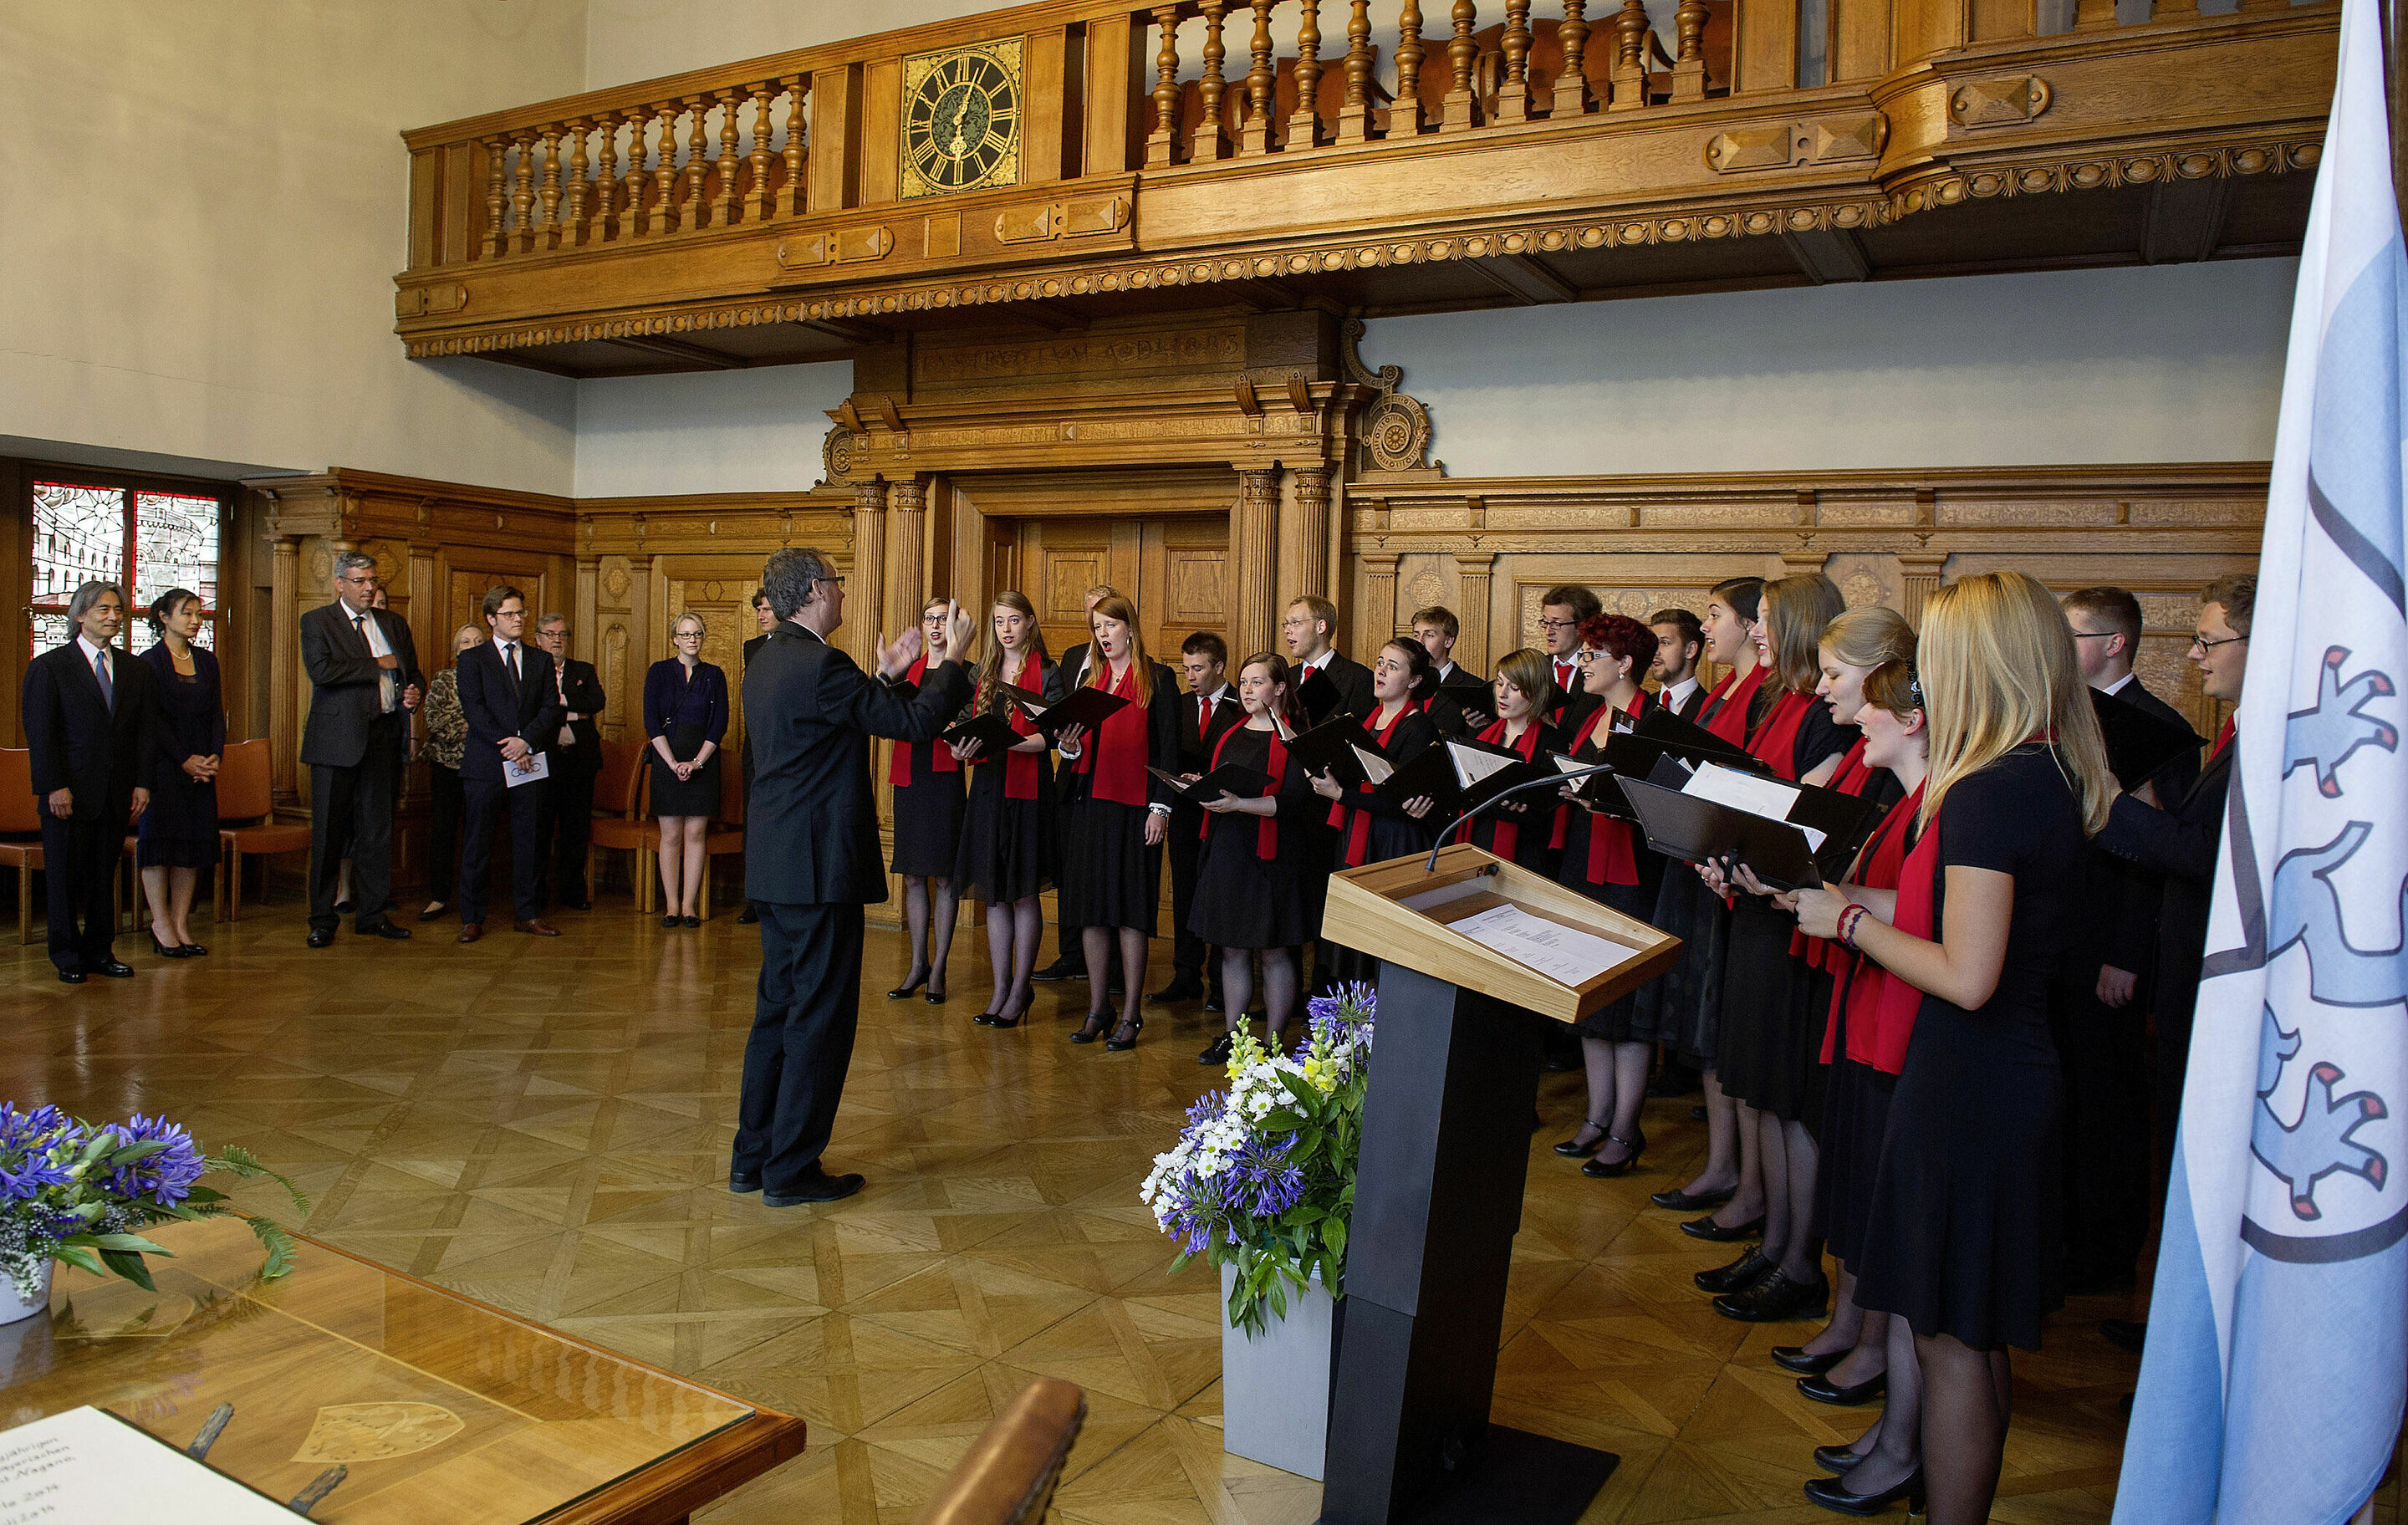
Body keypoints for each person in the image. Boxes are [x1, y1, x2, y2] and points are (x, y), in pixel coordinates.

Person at [1792, 569, 2113, 1522]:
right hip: (2002, 1075)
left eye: (1934, 654)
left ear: (1976, 661)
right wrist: (1846, 907)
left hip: (1972, 1084)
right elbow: (1956, 923)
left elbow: (1966, 974)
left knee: (1949, 1338)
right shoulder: (2039, 768)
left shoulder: (1987, 791)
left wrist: (1848, 927)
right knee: (1963, 1333)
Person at [735, 548, 977, 1206]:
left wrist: (884, 674)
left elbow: (842, 715)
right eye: (838, 583)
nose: (843, 594)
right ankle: (791, 1171)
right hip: (818, 873)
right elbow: (919, 724)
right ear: (816, 590)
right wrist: (950, 660)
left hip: (777, 867)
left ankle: (752, 1159)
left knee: (776, 1014)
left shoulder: (766, 661)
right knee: (818, 1021)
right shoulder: (820, 664)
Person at [1742, 606, 1915, 1389]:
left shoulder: (1888, 769)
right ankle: (1847, 1319)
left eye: (1838, 676)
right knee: (1839, 1152)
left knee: (1860, 1167)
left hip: (1860, 977)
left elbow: (1896, 897)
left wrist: (1820, 896)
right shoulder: (1864, 757)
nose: (1825, 689)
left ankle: (1862, 1331)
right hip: (1833, 958)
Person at [1786, 656, 1932, 1507]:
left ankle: (1908, 1443)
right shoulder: (1914, 805)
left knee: (1911, 1269)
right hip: (1875, 1026)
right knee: (1885, 1244)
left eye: (1870, 705)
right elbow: (1893, 903)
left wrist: (1840, 912)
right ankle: (1897, 1428)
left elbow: (1935, 937)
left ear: (1911, 720)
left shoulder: (1939, 805)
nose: (1854, 720)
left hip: (1909, 1042)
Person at [2092, 574, 2252, 1344]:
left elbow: (2203, 856)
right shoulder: (2236, 732)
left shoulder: (2245, 741)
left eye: (2209, 641)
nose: (2194, 657)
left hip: (2201, 971)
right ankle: (2162, 1318)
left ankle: (2174, 1324)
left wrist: (2109, 804)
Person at [1695, 574, 1853, 1324]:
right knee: (1756, 1086)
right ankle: (1774, 1241)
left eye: (1767, 620)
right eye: (1754, 620)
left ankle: (1799, 1262)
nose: (1758, 631)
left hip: (1793, 919)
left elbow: (1804, 819)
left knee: (1785, 1097)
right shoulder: (1775, 698)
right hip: (1755, 907)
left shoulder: (1822, 717)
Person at [2052, 584, 2196, 1295]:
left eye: (2072, 635)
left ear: (2115, 644)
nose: (2060, 649)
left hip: (2112, 937)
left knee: (2108, 1101)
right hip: (2061, 928)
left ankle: (2107, 1252)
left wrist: (2126, 953)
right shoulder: (2063, 716)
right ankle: (2064, 1233)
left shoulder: (2157, 726)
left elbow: (2164, 855)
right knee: (2064, 1092)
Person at [1635, 577, 1766, 1216]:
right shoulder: (1729, 694)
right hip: (1705, 868)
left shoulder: (1759, 694)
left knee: (1725, 1032)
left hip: (1737, 876)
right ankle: (1721, 1165)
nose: (1708, 628)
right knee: (1708, 1028)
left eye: (1715, 616)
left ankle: (1740, 1177)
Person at [1546, 614, 1662, 1177]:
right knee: (1590, 998)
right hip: (1583, 861)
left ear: (1626, 665)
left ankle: (1625, 1127)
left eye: (1595, 655)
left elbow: (1666, 808)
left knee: (1628, 1006)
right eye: (1586, 654)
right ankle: (1596, 1117)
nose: (1585, 663)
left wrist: (1605, 802)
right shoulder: (1589, 715)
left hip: (1632, 873)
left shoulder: (1654, 721)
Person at [1055, 594, 1181, 1051]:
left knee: (1131, 912)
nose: (1103, 634)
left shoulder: (1159, 679)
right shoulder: (1092, 681)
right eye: (1097, 627)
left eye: (1110, 625)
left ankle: (1131, 1013)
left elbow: (1168, 751)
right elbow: (1077, 749)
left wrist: (1160, 808)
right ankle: (1097, 1008)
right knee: (1092, 911)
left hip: (1136, 810)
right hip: (1093, 805)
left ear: (1130, 627)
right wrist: (1069, 747)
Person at [1306, 636, 1446, 1032]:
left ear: (1415, 680)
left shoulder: (1419, 727)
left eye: (1393, 666)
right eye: (1380, 662)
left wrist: (1340, 793)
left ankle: (1379, 1038)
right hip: (1358, 834)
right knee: (1354, 949)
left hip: (1392, 842)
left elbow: (1405, 802)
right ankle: (1355, 1038)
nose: (1381, 671)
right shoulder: (1365, 718)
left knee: (1381, 947)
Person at [22, 581, 156, 983]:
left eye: (118, 610)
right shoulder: (50, 667)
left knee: (103, 876)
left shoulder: (135, 670)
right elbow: (41, 734)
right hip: (68, 792)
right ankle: (66, 954)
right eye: (103, 610)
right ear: (80, 616)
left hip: (117, 792)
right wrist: (53, 786)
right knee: (63, 876)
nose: (114, 617)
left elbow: (144, 733)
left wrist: (143, 783)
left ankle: (100, 950)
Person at [1190, 654, 1321, 1052]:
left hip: (1273, 858)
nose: (1247, 690)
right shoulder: (1232, 732)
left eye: (1257, 682)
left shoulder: (1296, 738)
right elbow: (1222, 785)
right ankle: (1237, 1038)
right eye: (1244, 683)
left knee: (1274, 952)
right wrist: (1201, 786)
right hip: (1229, 851)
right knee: (1231, 949)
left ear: (1280, 688)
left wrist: (1239, 804)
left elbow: (1295, 803)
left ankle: (1274, 1043)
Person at [955, 592, 1066, 1028]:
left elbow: (1053, 736)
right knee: (994, 893)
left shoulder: (1049, 672)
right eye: (999, 621)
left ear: (1030, 624)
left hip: (1028, 792)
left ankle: (1021, 987)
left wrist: (1010, 741)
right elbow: (967, 721)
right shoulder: (983, 672)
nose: (1006, 629)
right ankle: (1000, 988)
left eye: (1014, 620)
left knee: (1021, 891)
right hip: (988, 789)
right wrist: (962, 741)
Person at [299, 550, 421, 947]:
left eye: (372, 580)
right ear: (339, 583)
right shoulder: (317, 621)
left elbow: (410, 671)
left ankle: (372, 914)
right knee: (330, 835)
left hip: (384, 737)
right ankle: (321, 918)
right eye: (359, 581)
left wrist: (412, 693)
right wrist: (377, 664)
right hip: (335, 743)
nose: (369, 588)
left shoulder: (392, 622)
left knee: (376, 831)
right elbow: (322, 671)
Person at [453, 584, 563, 943]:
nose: (517, 620)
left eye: (521, 613)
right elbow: (475, 710)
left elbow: (550, 708)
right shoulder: (472, 660)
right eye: (509, 614)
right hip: (486, 762)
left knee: (530, 840)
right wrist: (510, 744)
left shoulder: (540, 659)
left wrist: (526, 741)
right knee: (477, 841)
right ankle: (472, 917)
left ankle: (528, 914)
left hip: (529, 762)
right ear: (491, 619)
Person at [1031, 584, 1120, 986]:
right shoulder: (1070, 658)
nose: (1094, 623)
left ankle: (1111, 965)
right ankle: (1071, 954)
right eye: (1090, 615)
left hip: (1112, 780)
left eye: (1102, 616)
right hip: (1069, 774)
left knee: (1107, 878)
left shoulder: (1134, 668)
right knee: (1069, 869)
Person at [1150, 632, 1242, 1010]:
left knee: (1221, 899)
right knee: (1186, 894)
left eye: (1198, 668)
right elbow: (1167, 751)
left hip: (1227, 818)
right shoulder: (1179, 704)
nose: (1190, 676)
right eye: (1185, 668)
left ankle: (1222, 987)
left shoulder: (1242, 704)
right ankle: (1186, 976)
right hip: (1187, 814)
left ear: (1219, 667)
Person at [886, 598, 968, 1004]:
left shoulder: (963, 671)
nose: (935, 626)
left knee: (945, 877)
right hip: (909, 777)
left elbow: (975, 714)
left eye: (943, 619)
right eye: (929, 619)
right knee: (913, 875)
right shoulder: (910, 668)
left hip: (945, 778)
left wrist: (962, 725)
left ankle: (939, 969)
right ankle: (918, 964)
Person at [135, 588, 221, 958]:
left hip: (202, 767)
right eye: (186, 613)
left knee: (192, 845)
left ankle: (181, 922)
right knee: (160, 846)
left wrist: (214, 756)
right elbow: (150, 720)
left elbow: (217, 713)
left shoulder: (207, 661)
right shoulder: (149, 661)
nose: (195, 621)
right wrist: (184, 758)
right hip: (162, 765)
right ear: (164, 618)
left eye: (198, 614)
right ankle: (160, 924)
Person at [644, 613, 728, 927]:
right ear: (675, 639)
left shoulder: (714, 675)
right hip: (667, 759)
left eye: (697, 634)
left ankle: (689, 906)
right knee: (670, 835)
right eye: (686, 634)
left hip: (702, 762)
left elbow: (719, 724)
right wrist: (671, 763)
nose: (692, 639)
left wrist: (697, 762)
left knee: (695, 833)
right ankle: (671, 907)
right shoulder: (659, 672)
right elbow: (651, 721)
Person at [1451, 648, 1561, 871]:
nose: (1502, 694)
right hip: (1478, 842)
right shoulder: (1484, 735)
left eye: (1514, 688)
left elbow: (1549, 814)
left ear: (1537, 692)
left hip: (1524, 856)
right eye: (1499, 683)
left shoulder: (1552, 743)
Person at [533, 614, 608, 912]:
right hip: (543, 761)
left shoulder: (583, 670)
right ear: (537, 638)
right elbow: (532, 712)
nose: (557, 640)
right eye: (550, 634)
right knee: (539, 829)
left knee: (575, 830)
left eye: (563, 634)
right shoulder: (531, 669)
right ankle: (536, 896)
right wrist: (573, 711)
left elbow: (596, 704)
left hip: (579, 762)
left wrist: (561, 704)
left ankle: (573, 892)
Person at [415, 624, 483, 921]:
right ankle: (439, 897)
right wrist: (477, 726)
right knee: (443, 832)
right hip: (447, 767)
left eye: (479, 641)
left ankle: (475, 898)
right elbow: (437, 720)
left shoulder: (496, 678)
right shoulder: (444, 679)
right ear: (457, 651)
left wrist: (478, 725)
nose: (472, 646)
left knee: (478, 834)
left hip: (483, 767)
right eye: (466, 642)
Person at [739, 588, 775, 925]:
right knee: (754, 822)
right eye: (758, 610)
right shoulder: (752, 648)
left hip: (783, 748)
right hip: (755, 747)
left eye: (766, 609)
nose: (761, 615)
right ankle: (753, 900)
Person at [1283, 594, 1374, 722]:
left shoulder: (1358, 678)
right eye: (1286, 624)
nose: (1287, 630)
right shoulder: (1287, 677)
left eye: (1295, 623)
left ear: (1320, 627)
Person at [1413, 603, 1491, 732]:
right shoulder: (1408, 682)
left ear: (1448, 641)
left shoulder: (1474, 687)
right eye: (1416, 635)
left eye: (1429, 635)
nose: (1420, 642)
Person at [1537, 584, 1604, 724]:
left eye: (1557, 624)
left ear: (1582, 627)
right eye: (1546, 622)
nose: (1549, 631)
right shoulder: (1536, 668)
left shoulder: (1600, 672)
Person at [1649, 607, 1707, 720]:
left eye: (1665, 643)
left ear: (1690, 650)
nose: (1655, 651)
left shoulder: (1710, 709)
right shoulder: (1644, 706)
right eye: (1654, 643)